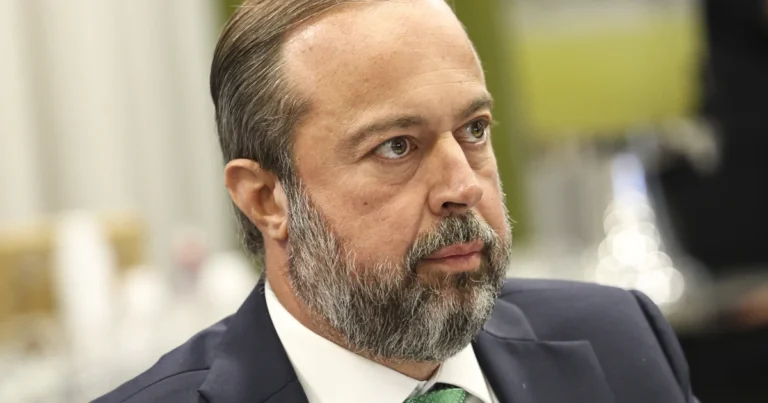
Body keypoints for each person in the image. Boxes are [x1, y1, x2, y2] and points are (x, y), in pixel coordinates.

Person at [95, 1, 697, 402]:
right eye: (396, 146)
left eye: (474, 130)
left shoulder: (621, 342)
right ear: (266, 198)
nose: (463, 187)